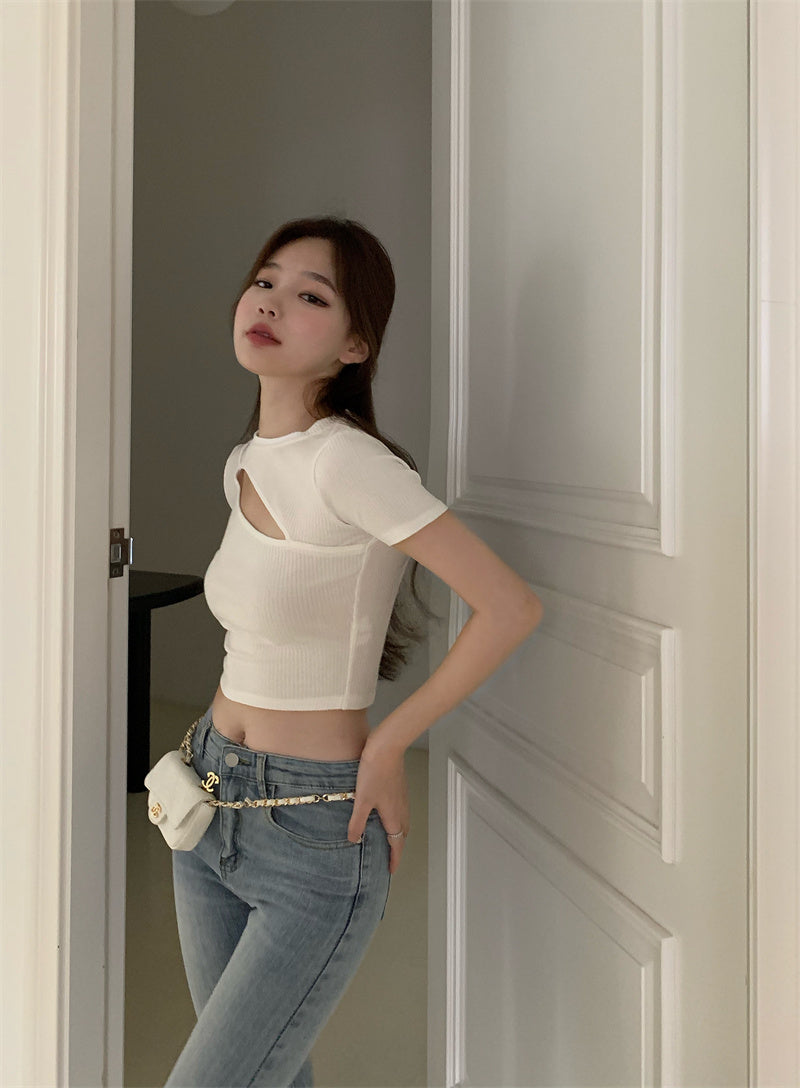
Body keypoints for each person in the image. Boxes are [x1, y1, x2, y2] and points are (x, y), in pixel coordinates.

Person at [164, 216, 543, 1087]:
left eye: (311, 296)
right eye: (265, 281)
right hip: (208, 797)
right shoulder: (245, 461)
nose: (270, 303)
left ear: (354, 345)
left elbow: (509, 607)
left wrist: (388, 742)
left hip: (312, 827)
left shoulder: (348, 463)